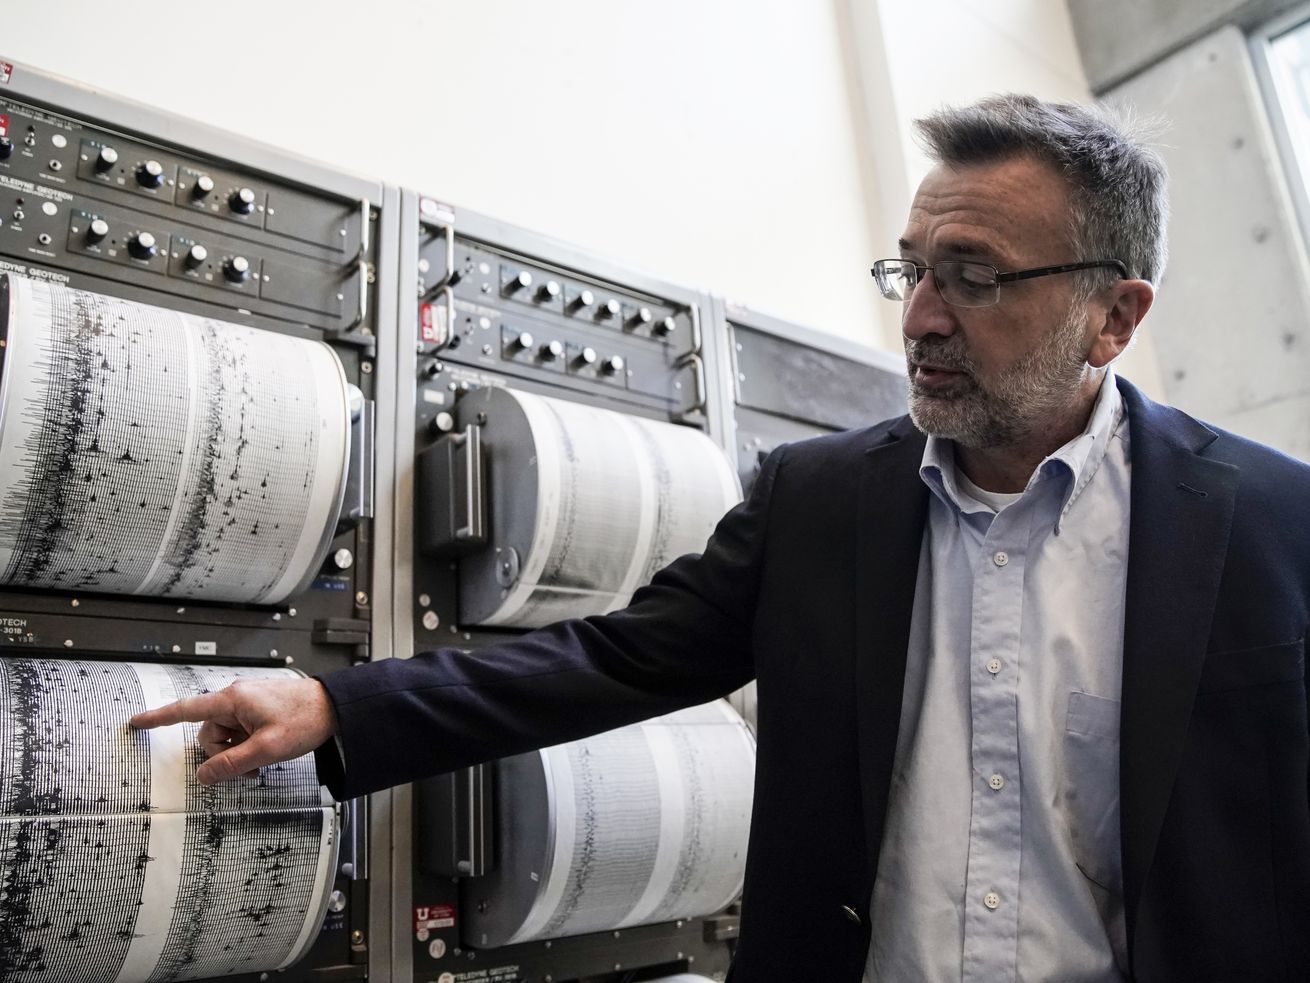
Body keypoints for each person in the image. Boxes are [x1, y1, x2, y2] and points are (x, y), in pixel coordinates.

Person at [131, 95, 1310, 983]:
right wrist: (336, 706)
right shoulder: (821, 499)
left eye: (973, 277)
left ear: (1112, 314)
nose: (918, 317)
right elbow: (616, 657)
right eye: (910, 270)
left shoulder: (1273, 524)